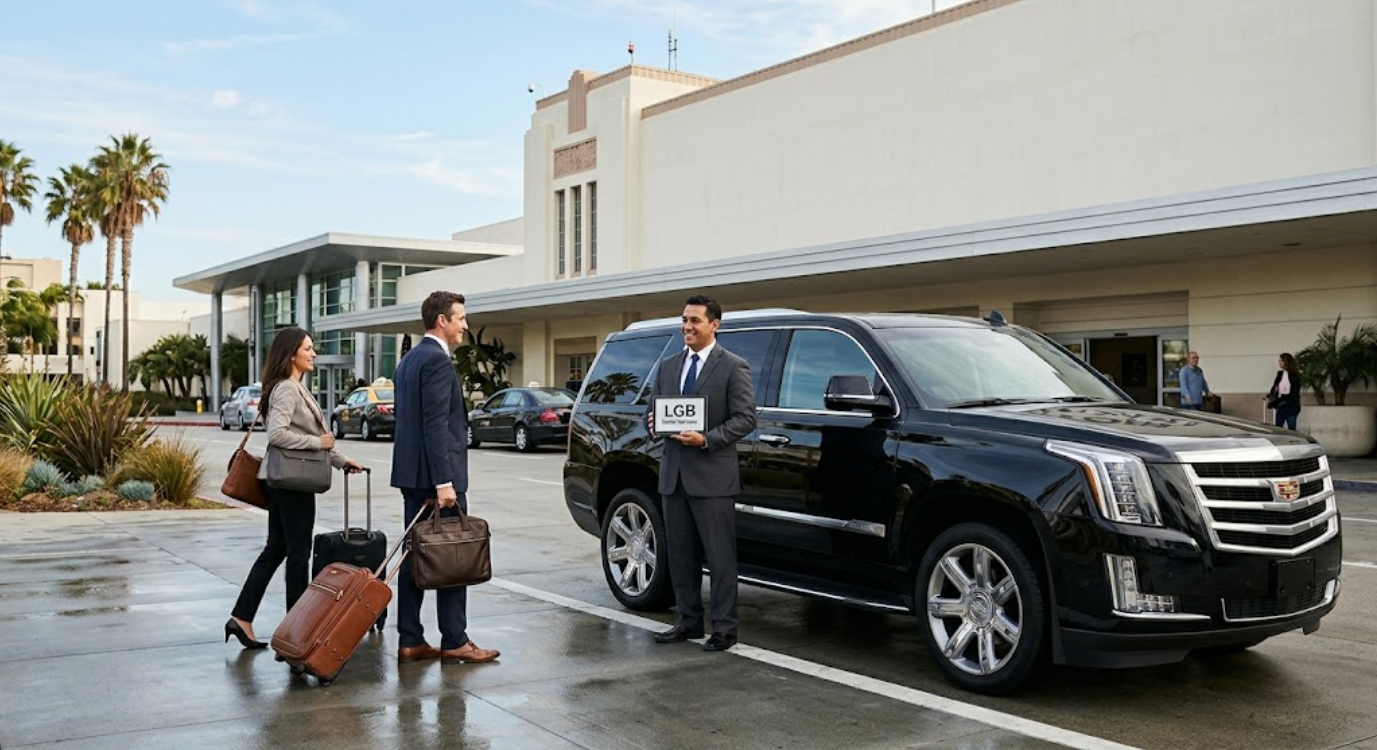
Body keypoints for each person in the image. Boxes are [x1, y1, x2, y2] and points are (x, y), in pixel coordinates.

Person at [226, 326, 363, 649]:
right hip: (292, 484)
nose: (313, 353)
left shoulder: (294, 387)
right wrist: (318, 442)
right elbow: (277, 434)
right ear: (291, 355)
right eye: (308, 348)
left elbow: (317, 439)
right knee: (298, 555)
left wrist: (341, 460)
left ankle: (242, 617)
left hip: (284, 481)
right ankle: (297, 631)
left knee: (276, 549)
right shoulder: (288, 389)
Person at [390, 291, 500, 666]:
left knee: (415, 557)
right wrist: (444, 483)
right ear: (442, 320)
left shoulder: (408, 361)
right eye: (461, 318)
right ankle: (455, 639)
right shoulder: (436, 361)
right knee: (452, 555)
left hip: (411, 476)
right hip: (436, 482)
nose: (465, 325)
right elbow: (435, 426)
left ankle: (411, 639)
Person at [646, 294, 756, 652]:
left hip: (712, 479)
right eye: (684, 320)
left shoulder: (733, 366)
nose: (687, 327)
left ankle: (724, 629)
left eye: (694, 320)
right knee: (680, 555)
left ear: (714, 325)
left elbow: (745, 419)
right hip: (673, 476)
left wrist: (706, 438)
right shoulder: (667, 366)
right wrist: (652, 424)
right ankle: (688, 621)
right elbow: (654, 412)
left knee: (720, 558)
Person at [1266, 352, 1303, 430]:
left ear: (1286, 362)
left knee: (1292, 429)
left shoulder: (1294, 375)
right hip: (1281, 404)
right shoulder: (1280, 374)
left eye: (1281, 361)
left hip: (1291, 405)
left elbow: (1295, 391)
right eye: (1279, 361)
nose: (1279, 363)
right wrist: (1274, 392)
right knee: (1278, 428)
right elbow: (1274, 386)